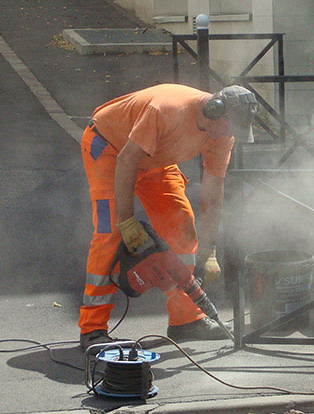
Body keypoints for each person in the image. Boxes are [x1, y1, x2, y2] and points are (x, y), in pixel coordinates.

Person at [78, 83, 257, 351]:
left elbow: (213, 190)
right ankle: (92, 329)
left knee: (182, 227)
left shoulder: (222, 136)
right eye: (228, 126)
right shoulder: (165, 109)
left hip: (153, 159)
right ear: (214, 109)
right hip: (109, 148)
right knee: (109, 233)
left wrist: (209, 250)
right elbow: (127, 160)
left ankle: (187, 320)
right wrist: (127, 223)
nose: (228, 134)